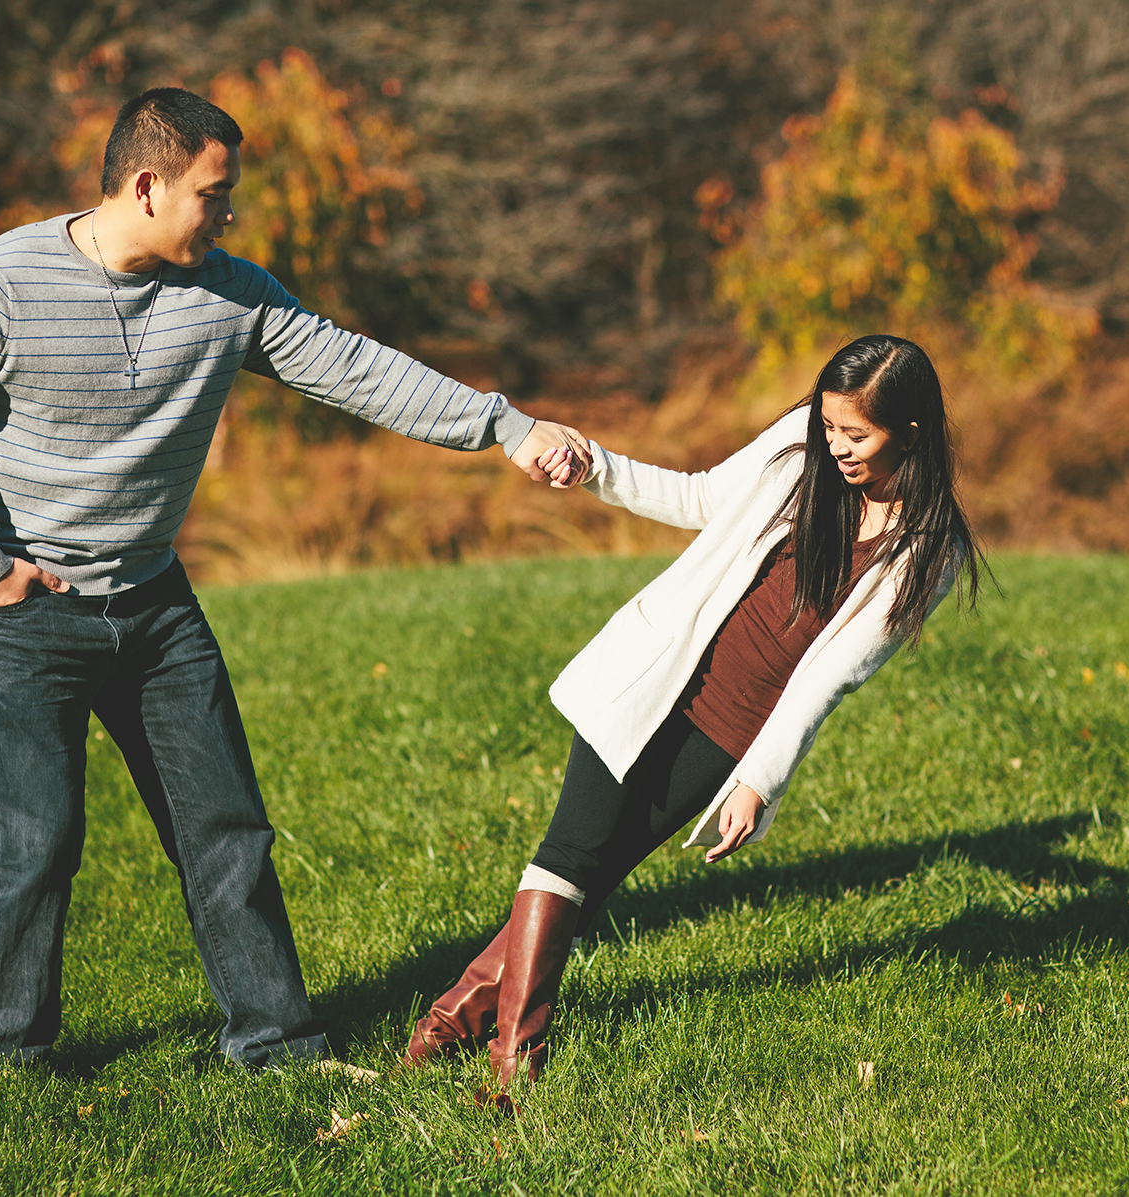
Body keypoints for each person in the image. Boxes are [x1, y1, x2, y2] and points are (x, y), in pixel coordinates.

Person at [0, 86, 590, 1070]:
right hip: (26, 615)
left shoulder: (229, 293)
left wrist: (506, 427)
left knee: (226, 830)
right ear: (146, 186)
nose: (229, 215)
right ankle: (2, 1059)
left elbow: (357, 369)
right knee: (31, 841)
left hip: (155, 608)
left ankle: (276, 1044)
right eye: (214, 195)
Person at [401, 335, 983, 1102]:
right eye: (829, 426)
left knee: (595, 876)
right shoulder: (800, 444)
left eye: (856, 434)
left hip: (730, 731)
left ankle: (446, 1023)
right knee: (570, 851)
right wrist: (597, 467)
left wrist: (759, 778)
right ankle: (515, 1062)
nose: (836, 446)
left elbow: (831, 675)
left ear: (910, 431)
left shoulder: (929, 550)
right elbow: (701, 497)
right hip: (653, 673)